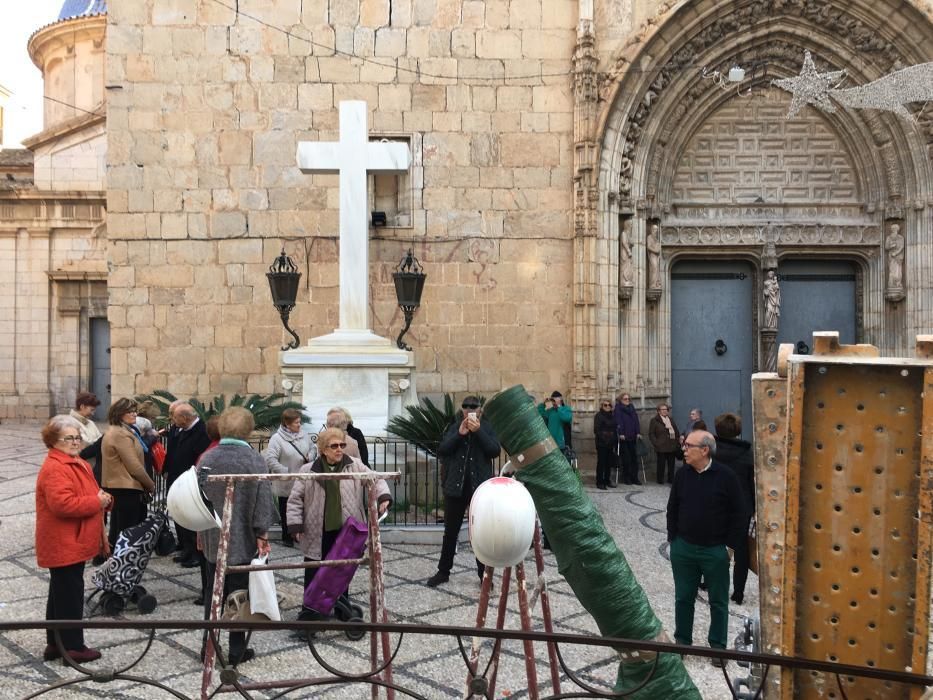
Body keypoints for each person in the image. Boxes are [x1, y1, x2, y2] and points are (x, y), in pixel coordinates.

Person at [198, 407, 275, 667]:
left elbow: (198, 499)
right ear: (249, 430)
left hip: (212, 537)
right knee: (239, 593)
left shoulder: (208, 458)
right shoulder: (254, 460)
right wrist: (262, 533)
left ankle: (207, 646)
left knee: (213, 591)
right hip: (243, 539)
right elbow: (263, 503)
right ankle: (236, 649)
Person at [35, 415, 112, 664]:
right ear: (53, 441)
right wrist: (96, 502)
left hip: (71, 540)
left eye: (77, 437)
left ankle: (55, 644)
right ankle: (73, 648)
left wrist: (101, 498)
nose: (75, 441)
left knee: (60, 593)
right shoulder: (56, 467)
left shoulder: (72, 461)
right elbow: (63, 505)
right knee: (69, 594)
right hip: (64, 541)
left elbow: (83, 493)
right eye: (68, 438)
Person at [666, 430, 746, 667]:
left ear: (704, 450)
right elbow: (673, 506)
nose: (684, 449)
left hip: (715, 550)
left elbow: (739, 513)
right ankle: (682, 641)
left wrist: (730, 546)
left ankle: (718, 648)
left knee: (718, 600)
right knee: (683, 597)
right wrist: (674, 539)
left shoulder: (726, 476)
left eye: (688, 445)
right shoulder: (683, 475)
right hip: (685, 548)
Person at [287, 427, 391, 608]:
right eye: (334, 445)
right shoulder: (308, 470)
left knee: (341, 572)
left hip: (346, 532)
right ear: (323, 449)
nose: (339, 449)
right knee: (314, 571)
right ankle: (311, 612)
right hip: (317, 530)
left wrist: (383, 497)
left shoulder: (355, 465)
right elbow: (295, 499)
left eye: (342, 444)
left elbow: (375, 479)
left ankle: (340, 608)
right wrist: (295, 524)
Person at [426, 396, 500, 587]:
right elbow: (442, 449)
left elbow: (494, 450)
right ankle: (443, 572)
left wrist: (478, 432)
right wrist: (459, 434)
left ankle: (484, 576)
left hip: (479, 490)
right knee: (450, 531)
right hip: (455, 488)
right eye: (465, 406)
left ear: (480, 409)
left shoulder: (487, 427)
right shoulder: (455, 426)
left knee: (479, 533)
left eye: (473, 407)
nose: (469, 410)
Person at [101, 398, 155, 548]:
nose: (134, 414)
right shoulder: (121, 434)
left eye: (135, 410)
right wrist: (150, 485)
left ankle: (111, 560)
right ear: (119, 414)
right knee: (127, 533)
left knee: (118, 529)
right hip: (125, 487)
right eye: (130, 411)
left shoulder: (120, 431)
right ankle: (122, 565)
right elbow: (134, 466)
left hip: (119, 486)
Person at [714, 413, 755, 605]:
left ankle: (710, 581)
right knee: (741, 550)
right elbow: (752, 482)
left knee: (712, 544)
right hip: (741, 506)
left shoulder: (712, 451)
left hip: (717, 503)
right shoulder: (747, 453)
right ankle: (738, 591)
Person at [164, 403, 211, 568]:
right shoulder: (181, 430)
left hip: (190, 482)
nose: (172, 420)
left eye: (175, 417)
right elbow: (172, 453)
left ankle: (196, 554)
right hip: (178, 479)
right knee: (182, 516)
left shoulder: (201, 432)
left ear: (185, 417)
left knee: (191, 519)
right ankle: (187, 549)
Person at [263, 408, 317, 547]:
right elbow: (271, 459)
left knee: (304, 508)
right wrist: (286, 472)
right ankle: (287, 537)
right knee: (287, 509)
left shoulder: (304, 435)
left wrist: (310, 457)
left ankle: (301, 535)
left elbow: (313, 449)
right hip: (286, 483)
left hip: (304, 480)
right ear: (287, 424)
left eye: (300, 422)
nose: (299, 425)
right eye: (296, 423)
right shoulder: (277, 439)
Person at [71, 392, 104, 484]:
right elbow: (85, 445)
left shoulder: (90, 423)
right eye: (92, 410)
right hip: (82, 467)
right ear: (82, 407)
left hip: (94, 466)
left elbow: (99, 442)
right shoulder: (70, 423)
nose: (93, 413)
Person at [614, 392, 641, 485]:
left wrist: (638, 432)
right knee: (626, 459)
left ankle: (635, 478)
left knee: (634, 459)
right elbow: (618, 421)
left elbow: (636, 420)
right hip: (624, 438)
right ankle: (627, 478)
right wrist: (621, 433)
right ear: (621, 400)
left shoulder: (632, 408)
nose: (627, 401)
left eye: (629, 399)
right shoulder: (618, 409)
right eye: (625, 399)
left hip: (633, 437)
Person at [649, 403, 680, 485]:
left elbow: (676, 431)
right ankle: (660, 480)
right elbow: (651, 433)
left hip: (671, 445)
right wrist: (656, 443)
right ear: (659, 411)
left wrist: (677, 441)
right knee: (661, 464)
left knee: (671, 464)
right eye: (663, 409)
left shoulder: (671, 419)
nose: (665, 411)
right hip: (661, 446)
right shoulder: (654, 420)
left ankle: (671, 479)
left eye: (666, 409)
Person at [538, 391, 573, 456]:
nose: (553, 402)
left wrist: (559, 406)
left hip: (563, 444)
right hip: (551, 444)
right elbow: (539, 414)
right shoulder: (550, 411)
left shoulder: (566, 409)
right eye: (552, 400)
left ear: (561, 400)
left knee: (564, 463)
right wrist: (543, 404)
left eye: (555, 400)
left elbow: (566, 418)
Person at [593, 398, 617, 489]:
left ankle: (607, 480)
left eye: (609, 405)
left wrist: (613, 439)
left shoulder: (612, 416)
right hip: (602, 443)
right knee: (601, 463)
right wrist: (605, 438)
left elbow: (614, 428)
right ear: (602, 406)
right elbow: (597, 430)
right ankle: (599, 482)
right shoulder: (598, 416)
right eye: (605, 405)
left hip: (611, 443)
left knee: (608, 463)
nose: (607, 407)